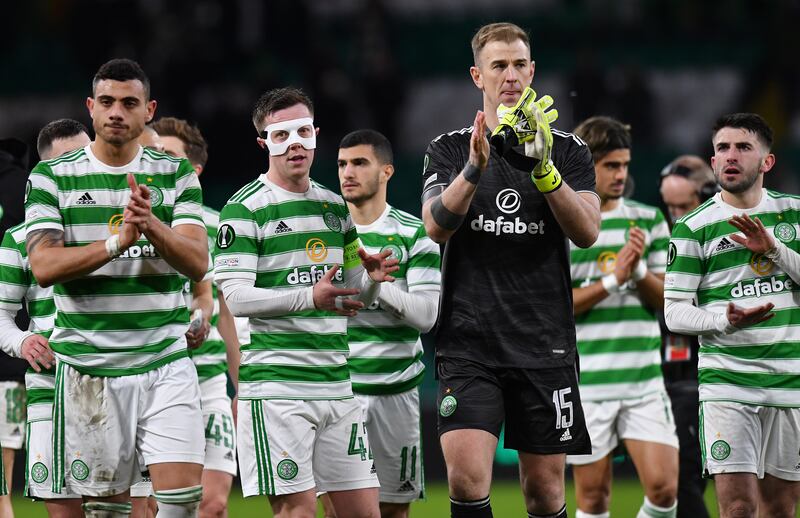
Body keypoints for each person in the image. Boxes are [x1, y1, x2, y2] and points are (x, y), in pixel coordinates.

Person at [420, 22, 600, 518]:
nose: (511, 75)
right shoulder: (450, 148)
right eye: (499, 65)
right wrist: (475, 169)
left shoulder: (568, 149)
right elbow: (435, 227)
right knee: (466, 477)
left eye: (520, 64)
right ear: (478, 75)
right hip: (469, 343)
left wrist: (544, 169)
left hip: (545, 344)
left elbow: (587, 231)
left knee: (544, 492)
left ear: (533, 70)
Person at [24, 58, 208, 517]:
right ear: (91, 107)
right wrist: (116, 242)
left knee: (183, 503)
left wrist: (149, 226)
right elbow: (44, 266)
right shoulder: (51, 177)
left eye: (129, 103)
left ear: (149, 110)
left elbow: (198, 262)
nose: (116, 112)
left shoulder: (175, 174)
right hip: (90, 367)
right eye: (106, 102)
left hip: (164, 361)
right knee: (108, 513)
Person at [213, 87, 398, 518]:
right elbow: (236, 299)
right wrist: (309, 298)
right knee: (298, 512)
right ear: (264, 143)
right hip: (278, 389)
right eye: (281, 135)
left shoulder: (336, 209)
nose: (295, 144)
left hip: (336, 384)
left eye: (302, 132)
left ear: (316, 134)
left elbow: (352, 298)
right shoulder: (243, 210)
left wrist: (369, 282)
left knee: (366, 514)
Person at [665, 112, 800, 518]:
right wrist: (725, 319)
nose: (730, 156)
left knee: (780, 507)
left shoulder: (794, 212)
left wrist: (773, 248)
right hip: (727, 383)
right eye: (722, 148)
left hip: (789, 381)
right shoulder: (693, 227)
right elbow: (675, 313)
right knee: (738, 507)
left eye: (743, 147)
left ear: (767, 162)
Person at [568, 116, 678, 518]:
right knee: (594, 500)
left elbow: (669, 300)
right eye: (610, 165)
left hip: (643, 381)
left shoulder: (647, 220)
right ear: (585, 164)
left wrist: (638, 274)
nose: (621, 174)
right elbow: (558, 305)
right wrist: (613, 281)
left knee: (665, 491)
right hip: (588, 383)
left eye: (625, 165)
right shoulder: (565, 228)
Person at [333, 129, 441, 518]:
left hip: (396, 392)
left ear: (387, 172)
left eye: (360, 163)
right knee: (336, 510)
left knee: (394, 511)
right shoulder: (325, 232)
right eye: (343, 163)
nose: (348, 172)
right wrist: (370, 285)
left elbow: (428, 317)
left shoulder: (416, 234)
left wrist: (379, 289)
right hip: (337, 393)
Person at [151, 116, 241, 518]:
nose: (158, 161)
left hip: (206, 379)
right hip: (150, 376)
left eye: (168, 154)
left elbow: (229, 312)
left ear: (194, 169)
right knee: (155, 504)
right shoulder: (132, 218)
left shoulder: (216, 225)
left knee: (214, 503)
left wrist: (241, 389)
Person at [0, 119, 90, 518]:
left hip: (123, 381)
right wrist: (22, 341)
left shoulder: (121, 227)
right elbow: (0, 315)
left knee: (131, 508)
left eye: (86, 159)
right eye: (68, 163)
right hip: (49, 389)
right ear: (44, 175)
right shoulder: (19, 239)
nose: (81, 170)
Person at [658, 156, 718, 518]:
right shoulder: (664, 243)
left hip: (708, 375)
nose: (676, 214)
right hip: (664, 375)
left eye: (684, 205)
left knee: (686, 481)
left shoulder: (722, 244)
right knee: (676, 482)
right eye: (669, 206)